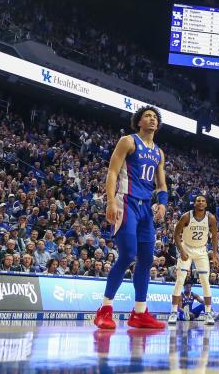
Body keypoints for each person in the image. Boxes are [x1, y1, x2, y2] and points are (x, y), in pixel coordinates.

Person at [93, 106, 168, 331]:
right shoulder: (128, 141)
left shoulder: (159, 152)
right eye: (147, 116)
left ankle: (139, 312)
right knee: (127, 254)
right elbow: (112, 173)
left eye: (155, 117)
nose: (152, 119)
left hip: (146, 207)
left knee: (146, 259)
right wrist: (110, 201)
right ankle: (104, 309)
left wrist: (162, 203)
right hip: (126, 201)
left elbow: (162, 184)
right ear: (138, 121)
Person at [168, 194, 218, 325]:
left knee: (205, 282)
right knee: (180, 280)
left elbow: (214, 237)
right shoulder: (186, 216)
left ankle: (208, 314)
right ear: (194, 203)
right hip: (187, 248)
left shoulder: (210, 218)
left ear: (206, 204)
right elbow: (176, 235)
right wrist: (181, 250)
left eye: (203, 201)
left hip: (201, 250)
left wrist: (214, 253)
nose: (200, 203)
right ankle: (173, 312)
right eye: (198, 201)